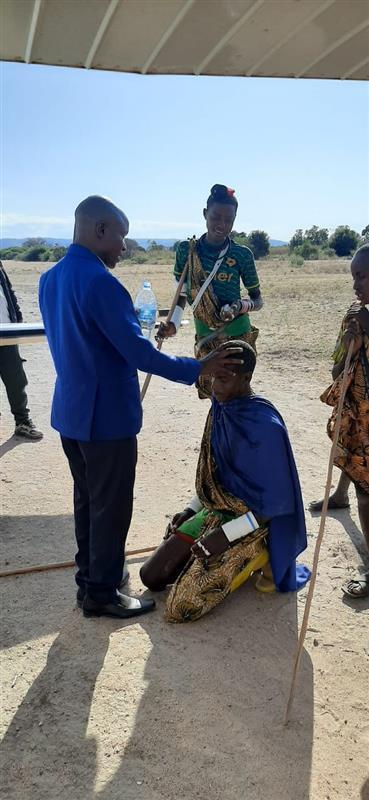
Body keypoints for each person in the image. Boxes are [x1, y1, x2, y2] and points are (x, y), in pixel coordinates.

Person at [39, 195, 244, 621]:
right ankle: (102, 593)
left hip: (71, 414)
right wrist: (198, 367)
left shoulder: (51, 277)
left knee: (87, 501)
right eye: (121, 237)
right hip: (106, 419)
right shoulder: (102, 284)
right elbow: (140, 354)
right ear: (99, 231)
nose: (124, 248)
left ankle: (90, 580)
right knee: (111, 508)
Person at [140, 340, 310, 622]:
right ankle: (210, 551)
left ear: (247, 378)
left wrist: (223, 536)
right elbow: (216, 472)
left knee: (182, 606)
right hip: (216, 510)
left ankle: (263, 555)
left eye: (224, 379)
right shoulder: (223, 405)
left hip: (253, 522)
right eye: (212, 378)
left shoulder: (265, 427)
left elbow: (273, 506)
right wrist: (192, 509)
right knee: (152, 577)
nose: (216, 387)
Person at [157, 184, 264, 398]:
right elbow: (183, 294)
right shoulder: (187, 251)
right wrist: (174, 325)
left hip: (238, 338)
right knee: (212, 393)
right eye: (216, 217)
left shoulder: (242, 254)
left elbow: (258, 300)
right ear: (205, 213)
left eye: (229, 220)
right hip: (205, 336)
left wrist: (239, 306)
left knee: (235, 395)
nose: (221, 224)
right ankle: (217, 433)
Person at [311, 244, 369, 599]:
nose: (356, 284)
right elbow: (336, 365)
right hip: (356, 407)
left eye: (362, 276)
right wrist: (347, 348)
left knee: (368, 491)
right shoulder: (354, 315)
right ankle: (340, 495)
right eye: (354, 276)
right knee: (345, 446)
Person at [0, 261, 43, 440]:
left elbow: (8, 291)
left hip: (6, 333)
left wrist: (17, 317)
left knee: (16, 380)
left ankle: (22, 423)